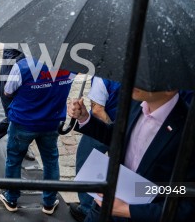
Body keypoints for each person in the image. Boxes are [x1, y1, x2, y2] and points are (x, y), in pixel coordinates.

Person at [68, 88, 195, 221]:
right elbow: (117, 136)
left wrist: (127, 210)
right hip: (103, 206)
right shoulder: (135, 103)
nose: (135, 79)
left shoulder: (188, 128)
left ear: (169, 88)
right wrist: (85, 118)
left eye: (146, 76)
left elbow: (187, 202)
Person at [0, 59, 74, 215]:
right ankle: (49, 202)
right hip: (51, 121)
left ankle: (11, 198)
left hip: (23, 122)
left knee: (14, 160)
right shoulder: (71, 65)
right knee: (51, 161)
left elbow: (7, 91)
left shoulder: (23, 66)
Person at [70, 77, 121, 222]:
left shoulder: (104, 76)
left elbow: (98, 110)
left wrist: (114, 135)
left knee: (85, 164)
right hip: (118, 129)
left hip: (105, 128)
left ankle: (86, 208)